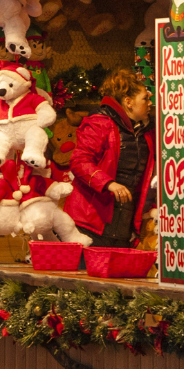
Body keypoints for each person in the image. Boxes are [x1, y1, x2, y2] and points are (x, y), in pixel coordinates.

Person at [64, 68, 155, 247]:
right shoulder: (100, 123)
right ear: (128, 102)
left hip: (124, 225)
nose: (149, 103)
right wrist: (108, 183)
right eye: (145, 98)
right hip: (91, 223)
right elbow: (79, 161)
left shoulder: (146, 132)